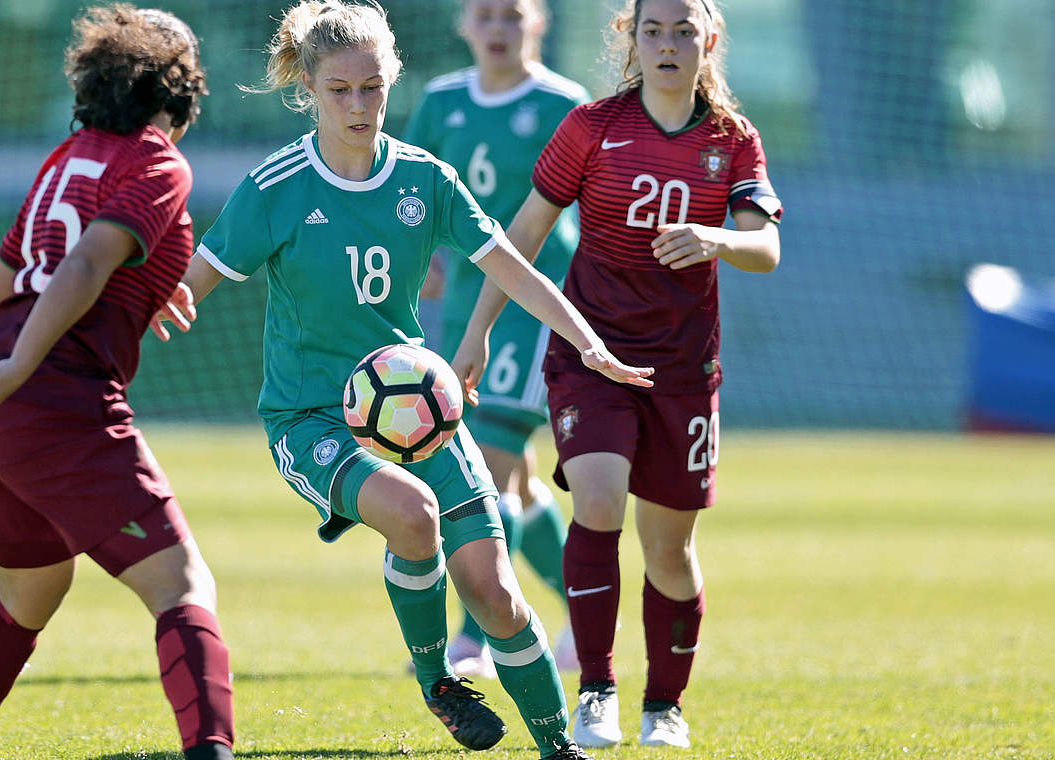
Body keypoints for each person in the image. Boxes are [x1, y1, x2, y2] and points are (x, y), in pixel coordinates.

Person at [153, 2, 650, 758]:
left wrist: (589, 344)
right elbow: (190, 285)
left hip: (417, 412)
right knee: (413, 513)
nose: (359, 105)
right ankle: (436, 681)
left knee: (497, 596)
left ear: (392, 83)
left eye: (374, 88)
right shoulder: (277, 186)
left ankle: (559, 748)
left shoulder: (426, 179)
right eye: (340, 90)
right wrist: (137, 312)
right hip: (312, 418)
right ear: (310, 89)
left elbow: (513, 270)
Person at [0, 7, 234, 760]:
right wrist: (25, 364)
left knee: (32, 591)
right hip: (49, 393)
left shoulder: (67, 155)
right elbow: (84, 263)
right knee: (182, 584)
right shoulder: (155, 159)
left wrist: (138, 282)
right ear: (180, 89)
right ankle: (211, 750)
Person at [452, 0, 782, 749]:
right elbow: (523, 235)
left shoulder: (732, 140)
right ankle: (595, 688)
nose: (668, 44)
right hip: (591, 356)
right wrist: (477, 331)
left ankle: (664, 704)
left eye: (683, 31)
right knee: (596, 503)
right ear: (630, 40)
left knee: (669, 550)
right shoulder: (593, 127)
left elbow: (765, 248)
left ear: (710, 41)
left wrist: (716, 238)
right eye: (652, 30)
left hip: (683, 369)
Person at [402, 0, 589, 680]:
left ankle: (471, 637)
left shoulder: (563, 104)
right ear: (463, 26)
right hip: (459, 310)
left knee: (490, 463)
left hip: (532, 310)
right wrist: (420, 253)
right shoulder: (442, 100)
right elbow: (410, 186)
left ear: (536, 24)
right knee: (521, 483)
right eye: (485, 15)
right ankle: (588, 612)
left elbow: (579, 204)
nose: (499, 28)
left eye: (513, 15)